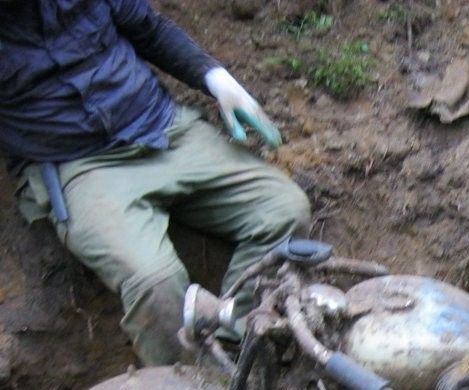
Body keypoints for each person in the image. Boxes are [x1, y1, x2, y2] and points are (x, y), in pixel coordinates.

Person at [0, 1, 311, 365]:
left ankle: (237, 353)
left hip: (163, 128)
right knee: (154, 282)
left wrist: (213, 77)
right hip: (80, 166)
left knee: (284, 211)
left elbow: (147, 28)